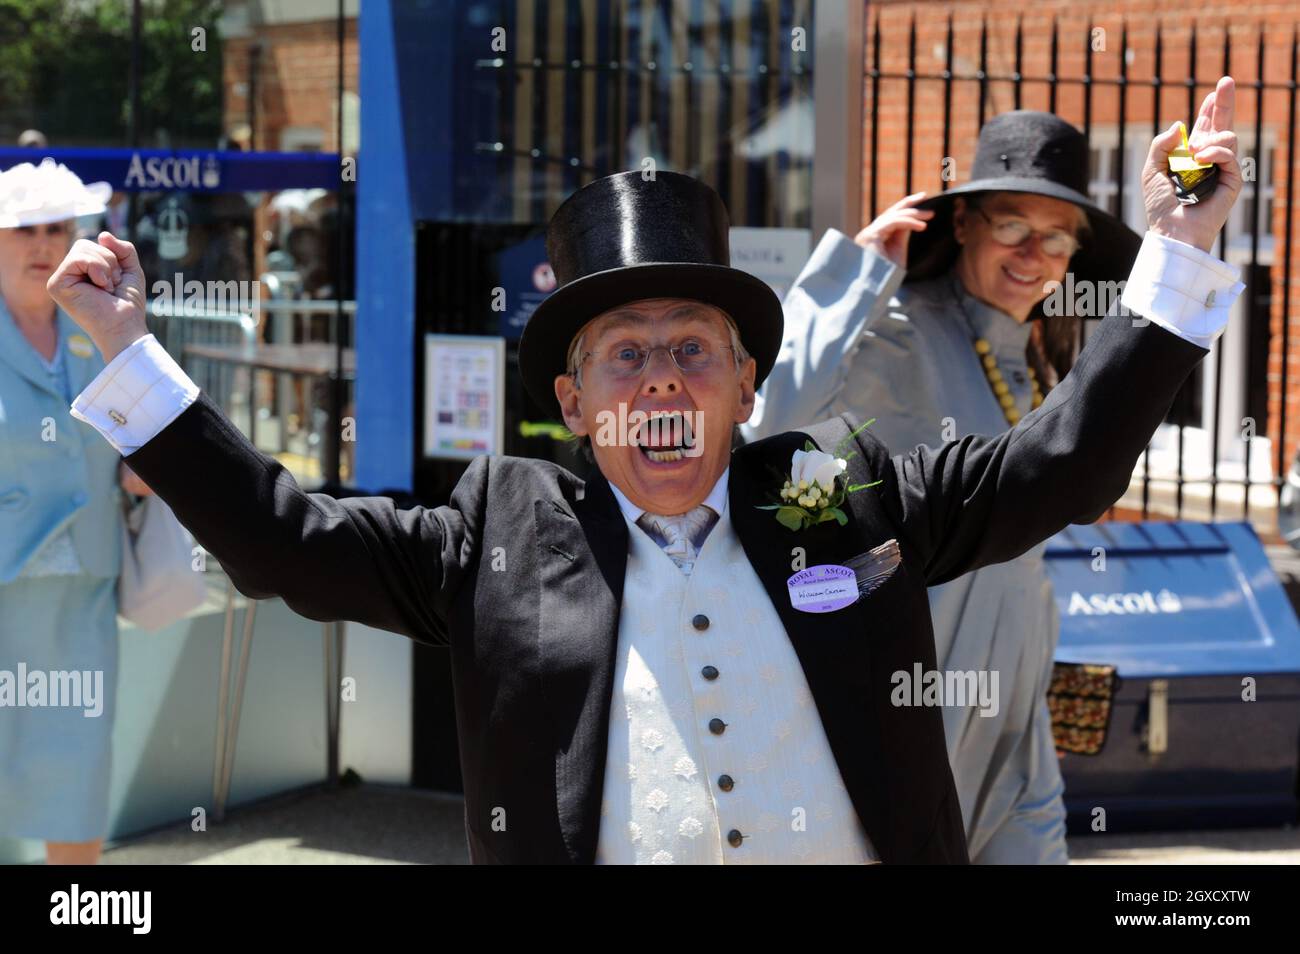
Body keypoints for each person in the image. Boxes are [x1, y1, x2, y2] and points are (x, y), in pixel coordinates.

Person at [49, 78, 1243, 864]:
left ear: (740, 385)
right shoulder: (500, 528)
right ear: (572, 406)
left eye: (691, 351)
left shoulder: (845, 493)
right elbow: (280, 541)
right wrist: (127, 352)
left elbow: (1064, 465)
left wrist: (1179, 249)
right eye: (624, 356)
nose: (661, 380)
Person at [743, 111, 1141, 863]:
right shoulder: (898, 328)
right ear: (963, 223)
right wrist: (853, 276)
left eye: (1057, 237)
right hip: (921, 709)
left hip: (1018, 724)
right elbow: (773, 420)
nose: (1034, 254)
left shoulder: (1033, 360)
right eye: (1013, 226)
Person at [0, 158, 153, 865]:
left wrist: (149, 466)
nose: (41, 243)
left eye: (56, 228)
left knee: (79, 767)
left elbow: (146, 441)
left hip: (84, 589)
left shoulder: (102, 331)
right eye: (23, 228)